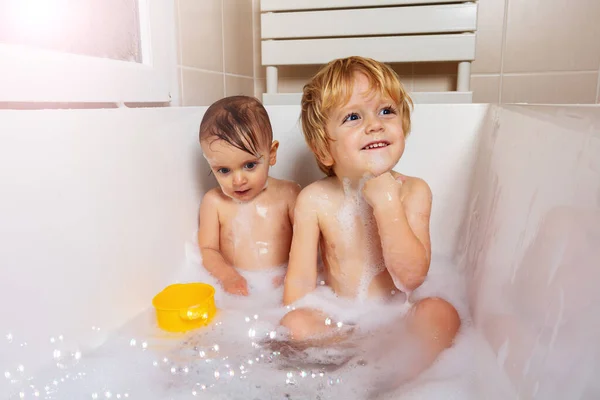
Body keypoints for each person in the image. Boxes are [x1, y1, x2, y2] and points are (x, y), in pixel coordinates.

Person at [280, 56, 461, 384]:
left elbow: (411, 279)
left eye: (386, 111)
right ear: (323, 149)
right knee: (296, 323)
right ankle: (360, 373)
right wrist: (298, 316)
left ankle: (395, 381)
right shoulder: (314, 200)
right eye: (353, 116)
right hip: (340, 325)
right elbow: (300, 284)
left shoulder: (413, 191)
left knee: (441, 314)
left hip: (398, 320)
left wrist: (387, 201)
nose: (375, 124)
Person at [197, 95, 300, 296]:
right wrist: (228, 276)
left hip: (284, 285)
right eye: (224, 170)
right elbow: (208, 250)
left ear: (271, 154)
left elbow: (308, 242)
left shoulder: (289, 194)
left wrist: (293, 273)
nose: (238, 180)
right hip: (237, 288)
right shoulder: (214, 202)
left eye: (249, 165)